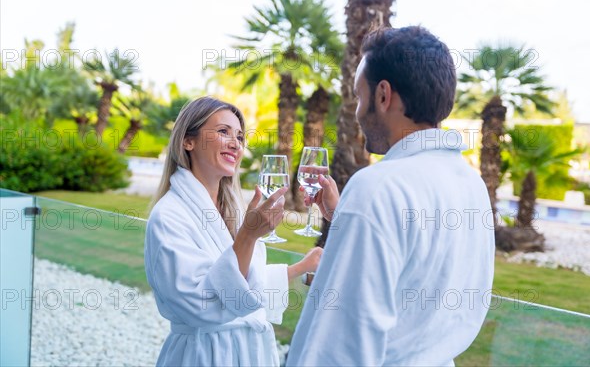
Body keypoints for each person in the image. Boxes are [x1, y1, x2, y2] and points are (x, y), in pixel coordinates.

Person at [286, 26, 495, 366]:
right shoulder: (471, 185)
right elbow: (420, 267)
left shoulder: (377, 188)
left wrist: (360, 212)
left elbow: (342, 343)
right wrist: (347, 219)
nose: (355, 111)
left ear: (383, 95)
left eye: (358, 96)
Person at [144, 97, 322, 366]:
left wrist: (301, 267)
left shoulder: (234, 211)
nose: (235, 143)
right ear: (187, 141)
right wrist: (249, 236)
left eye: (239, 136)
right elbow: (200, 304)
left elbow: (250, 283)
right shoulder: (168, 216)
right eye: (223, 131)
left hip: (249, 352)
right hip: (204, 354)